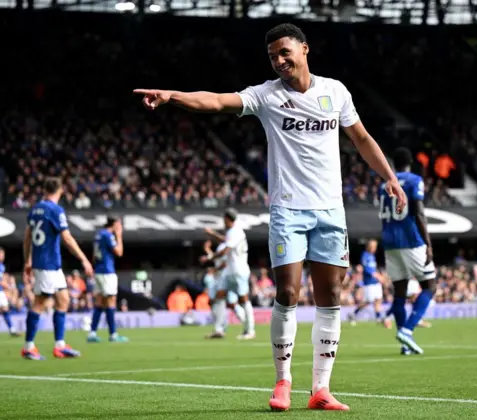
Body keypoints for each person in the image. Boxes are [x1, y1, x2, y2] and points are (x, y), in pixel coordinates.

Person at [133, 23, 406, 412]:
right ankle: (283, 382)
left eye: (284, 53)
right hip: (288, 210)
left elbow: (361, 138)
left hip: (331, 210)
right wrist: (173, 95)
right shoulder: (266, 96)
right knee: (289, 293)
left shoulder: (336, 92)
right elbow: (215, 101)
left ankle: (321, 389)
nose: (279, 61)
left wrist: (391, 178)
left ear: (304, 49)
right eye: (273, 56)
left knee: (330, 297)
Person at [21, 177, 93, 360]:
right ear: (60, 190)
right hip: (47, 264)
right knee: (39, 302)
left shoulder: (35, 209)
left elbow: (27, 237)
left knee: (63, 299)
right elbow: (67, 238)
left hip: (50, 264)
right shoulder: (55, 210)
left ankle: (60, 345)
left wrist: (27, 260)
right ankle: (28, 346)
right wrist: (84, 259)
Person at [380, 148, 434, 356]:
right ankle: (407, 329)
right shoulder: (414, 180)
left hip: (390, 242)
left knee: (400, 292)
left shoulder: (384, 183)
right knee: (430, 285)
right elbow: (418, 212)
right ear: (411, 162)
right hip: (411, 240)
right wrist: (428, 243)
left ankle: (405, 345)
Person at [203, 209, 255, 340]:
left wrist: (210, 257)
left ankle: (249, 330)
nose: (223, 222)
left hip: (239, 270)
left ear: (227, 219)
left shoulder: (235, 231)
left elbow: (224, 251)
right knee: (219, 297)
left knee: (243, 300)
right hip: (229, 271)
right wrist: (213, 234)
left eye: (223, 219)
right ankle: (219, 329)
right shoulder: (233, 232)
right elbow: (225, 240)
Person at [88, 216, 129, 343]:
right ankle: (113, 334)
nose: (120, 227)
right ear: (115, 224)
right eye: (119, 224)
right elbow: (119, 252)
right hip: (107, 271)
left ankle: (92, 333)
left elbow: (94, 255)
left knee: (99, 302)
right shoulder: (108, 235)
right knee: (111, 301)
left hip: (99, 270)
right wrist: (119, 236)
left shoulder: (98, 234)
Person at [200, 240, 247, 338]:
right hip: (224, 277)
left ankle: (221, 328)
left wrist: (215, 269)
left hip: (223, 278)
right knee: (227, 303)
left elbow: (224, 262)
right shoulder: (224, 245)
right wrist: (207, 250)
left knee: (219, 302)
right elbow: (217, 259)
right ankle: (245, 326)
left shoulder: (225, 245)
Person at [348, 240, 391, 327]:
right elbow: (368, 270)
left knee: (378, 299)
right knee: (368, 301)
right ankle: (353, 314)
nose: (374, 249)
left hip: (375, 282)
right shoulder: (365, 256)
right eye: (373, 247)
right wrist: (379, 277)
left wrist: (380, 278)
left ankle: (378, 317)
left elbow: (373, 269)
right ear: (369, 247)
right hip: (369, 282)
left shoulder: (372, 256)